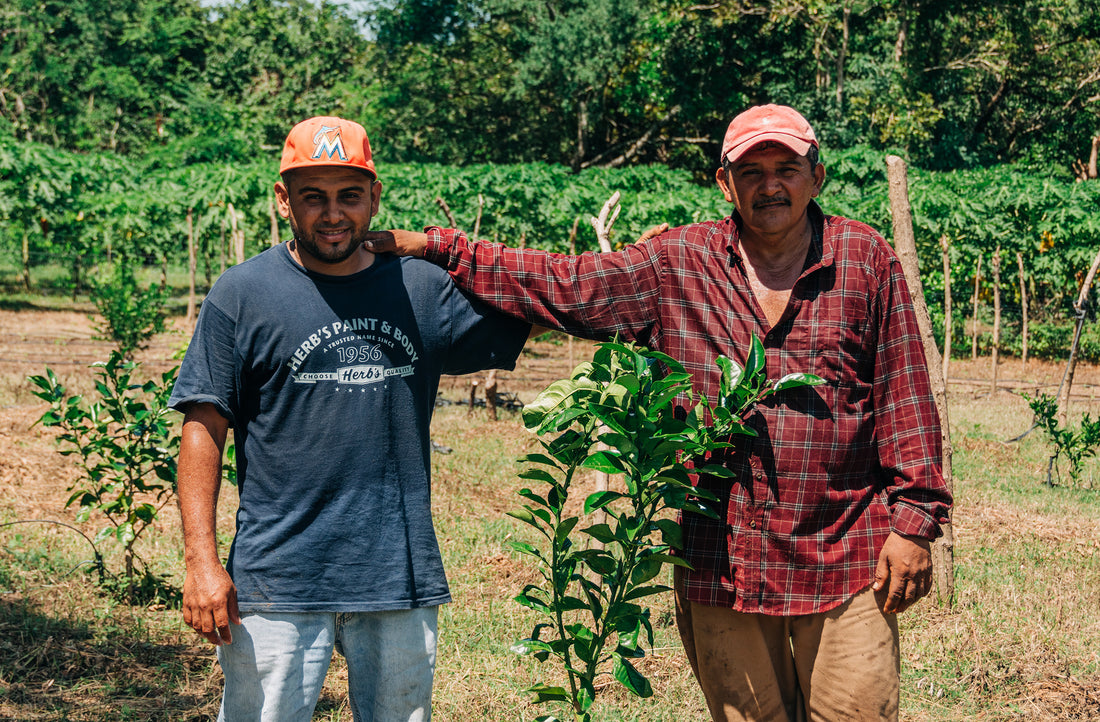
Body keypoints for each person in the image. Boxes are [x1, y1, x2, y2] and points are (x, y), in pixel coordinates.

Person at [363, 104, 952, 721]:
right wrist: (438, 248)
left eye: (786, 168)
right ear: (724, 184)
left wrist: (913, 523)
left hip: (845, 550)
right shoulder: (678, 263)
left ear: (817, 176)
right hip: (726, 558)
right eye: (750, 171)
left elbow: (902, 393)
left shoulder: (862, 257)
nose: (770, 185)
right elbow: (568, 285)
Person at [170, 116, 530, 721]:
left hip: (397, 570)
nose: (332, 214)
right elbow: (203, 426)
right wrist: (201, 563)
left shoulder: (421, 290)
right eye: (313, 196)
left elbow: (537, 306)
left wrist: (632, 275)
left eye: (348, 196)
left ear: (374, 197)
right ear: (284, 199)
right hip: (277, 576)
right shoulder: (242, 293)